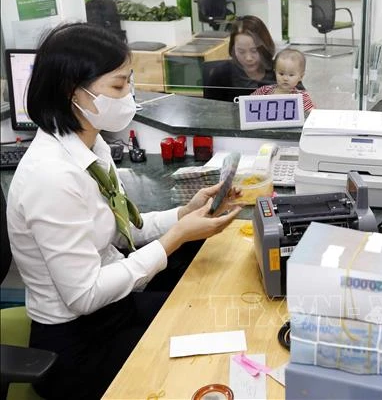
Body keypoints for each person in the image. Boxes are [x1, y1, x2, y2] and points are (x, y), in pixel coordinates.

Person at [5, 22, 243, 399]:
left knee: (207, 319)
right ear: (73, 93)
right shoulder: (50, 177)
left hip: (113, 310)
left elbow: (121, 231)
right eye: (118, 86)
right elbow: (83, 296)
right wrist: (171, 241)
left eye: (129, 82)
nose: (129, 95)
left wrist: (183, 214)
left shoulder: (91, 148)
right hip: (76, 346)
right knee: (197, 365)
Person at [250, 48, 315, 112]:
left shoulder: (302, 98)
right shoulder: (264, 91)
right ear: (275, 72)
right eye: (281, 74)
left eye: (291, 75)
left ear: (301, 77)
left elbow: (312, 115)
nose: (285, 78)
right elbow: (248, 103)